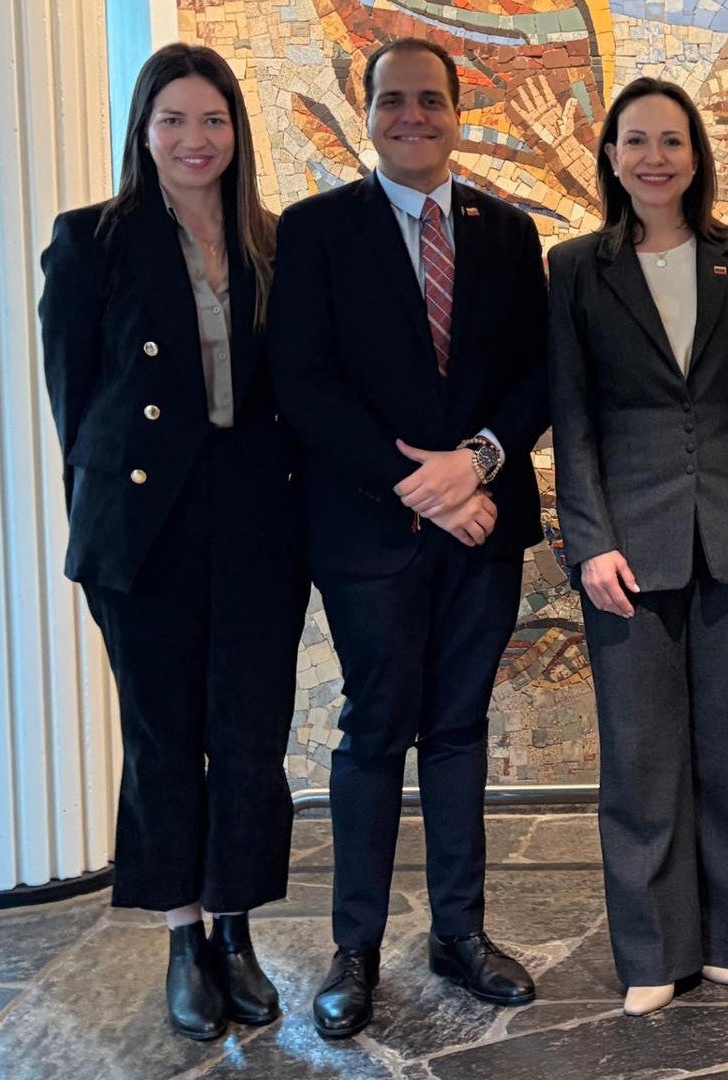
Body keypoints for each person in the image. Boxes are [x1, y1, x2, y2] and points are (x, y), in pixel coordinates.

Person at [266, 37, 550, 1040]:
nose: (413, 116)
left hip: (485, 524)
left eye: (432, 100)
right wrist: (419, 485)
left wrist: (475, 460)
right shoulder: (314, 232)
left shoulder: (510, 233)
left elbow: (537, 376)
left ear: (457, 112)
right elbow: (302, 383)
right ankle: (356, 950)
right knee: (376, 729)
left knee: (462, 728)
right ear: (368, 110)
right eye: (395, 100)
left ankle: (459, 935)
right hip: (367, 533)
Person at [38, 43, 310, 1042]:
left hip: (256, 521)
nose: (195, 140)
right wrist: (103, 509)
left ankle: (236, 929)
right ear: (144, 131)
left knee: (247, 737)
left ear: (237, 134)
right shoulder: (92, 242)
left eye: (214, 121)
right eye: (174, 121)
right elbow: (76, 406)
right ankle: (183, 937)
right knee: (164, 738)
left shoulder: (273, 245)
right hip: (143, 528)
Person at [546, 77, 728, 1018]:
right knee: (642, 757)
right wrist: (589, 544)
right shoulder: (576, 266)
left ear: (697, 157)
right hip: (628, 546)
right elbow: (572, 418)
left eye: (673, 141)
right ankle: (654, 949)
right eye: (636, 141)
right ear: (611, 156)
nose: (655, 157)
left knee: (726, 750)